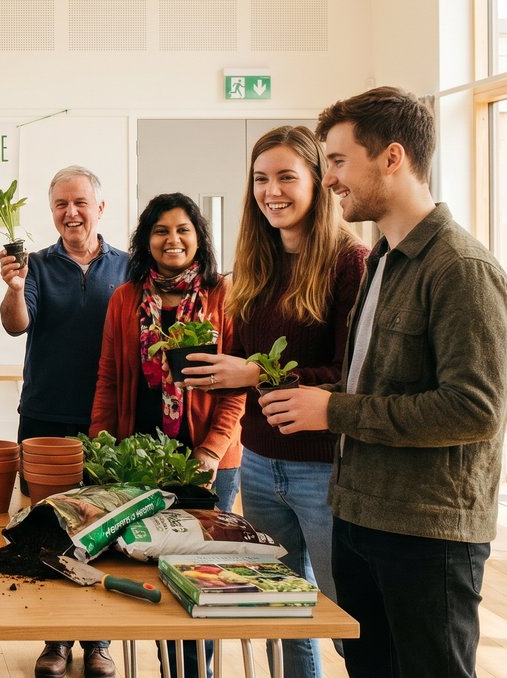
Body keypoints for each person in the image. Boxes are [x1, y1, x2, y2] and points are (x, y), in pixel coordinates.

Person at [261, 86, 507, 678]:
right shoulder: (382, 258)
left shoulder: (461, 270)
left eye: (339, 161)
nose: (328, 180)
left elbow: (473, 410)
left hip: (428, 536)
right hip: (360, 518)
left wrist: (336, 412)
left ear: (393, 158)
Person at [179, 126, 367, 678]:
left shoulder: (348, 262)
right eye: (261, 179)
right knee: (280, 607)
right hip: (259, 463)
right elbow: (239, 363)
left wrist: (251, 371)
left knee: (344, 612)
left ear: (317, 180)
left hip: (324, 468)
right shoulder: (256, 267)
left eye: (287, 176)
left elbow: (348, 374)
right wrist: (214, 373)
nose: (272, 191)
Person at [87, 192, 244, 678]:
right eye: (160, 231)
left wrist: (211, 450)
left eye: (182, 229)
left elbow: (237, 388)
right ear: (146, 241)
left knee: (201, 579)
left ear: (198, 237)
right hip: (142, 459)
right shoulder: (127, 298)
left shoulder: (223, 296)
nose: (172, 239)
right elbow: (109, 378)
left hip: (209, 463)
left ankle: (196, 671)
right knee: (145, 569)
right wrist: (99, 447)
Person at [0, 166, 128, 678]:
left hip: (110, 421)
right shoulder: (35, 266)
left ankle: (98, 640)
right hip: (45, 416)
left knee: (105, 530)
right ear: (50, 211)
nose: (70, 213)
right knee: (50, 531)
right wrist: (13, 287)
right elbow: (16, 324)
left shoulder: (129, 266)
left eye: (79, 203)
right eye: (60, 205)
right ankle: (55, 639)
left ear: (100, 207)